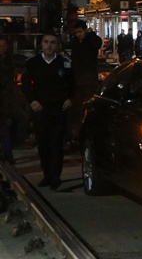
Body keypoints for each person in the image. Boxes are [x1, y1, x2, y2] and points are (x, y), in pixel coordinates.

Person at [21, 33, 73, 190]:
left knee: (56, 143)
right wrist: (32, 101)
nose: (49, 45)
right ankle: (47, 175)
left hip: (58, 109)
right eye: (46, 42)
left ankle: (56, 176)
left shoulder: (64, 63)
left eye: (52, 42)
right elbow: (25, 85)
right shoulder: (32, 63)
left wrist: (70, 98)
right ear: (41, 44)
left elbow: (71, 83)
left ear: (57, 45)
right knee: (43, 143)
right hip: (40, 109)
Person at [69, 20, 102, 146]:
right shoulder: (76, 43)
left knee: (87, 107)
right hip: (79, 79)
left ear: (85, 30)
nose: (78, 35)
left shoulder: (90, 41)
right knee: (77, 108)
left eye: (80, 32)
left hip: (88, 80)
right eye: (76, 32)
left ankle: (84, 134)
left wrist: (91, 34)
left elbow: (97, 44)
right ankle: (76, 135)